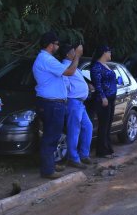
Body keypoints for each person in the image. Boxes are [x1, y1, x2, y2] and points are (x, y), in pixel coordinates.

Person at [33, 32, 83, 179]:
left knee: (52, 135)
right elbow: (70, 71)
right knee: (51, 136)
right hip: (51, 103)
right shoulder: (46, 59)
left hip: (50, 103)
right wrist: (77, 56)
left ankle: (50, 166)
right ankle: (47, 170)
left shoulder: (45, 59)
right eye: (56, 44)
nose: (58, 46)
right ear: (50, 45)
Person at [59, 43, 94, 168]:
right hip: (73, 102)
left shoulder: (73, 66)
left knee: (88, 127)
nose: (76, 53)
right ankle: (73, 158)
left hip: (80, 103)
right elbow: (65, 85)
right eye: (74, 51)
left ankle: (83, 155)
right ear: (68, 54)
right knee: (74, 130)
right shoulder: (65, 66)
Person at [90, 45, 117, 157]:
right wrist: (103, 97)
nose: (110, 54)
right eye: (109, 52)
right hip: (104, 99)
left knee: (108, 124)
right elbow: (97, 84)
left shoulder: (106, 65)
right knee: (104, 125)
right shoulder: (96, 66)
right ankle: (101, 151)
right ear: (104, 53)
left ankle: (108, 148)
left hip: (111, 97)